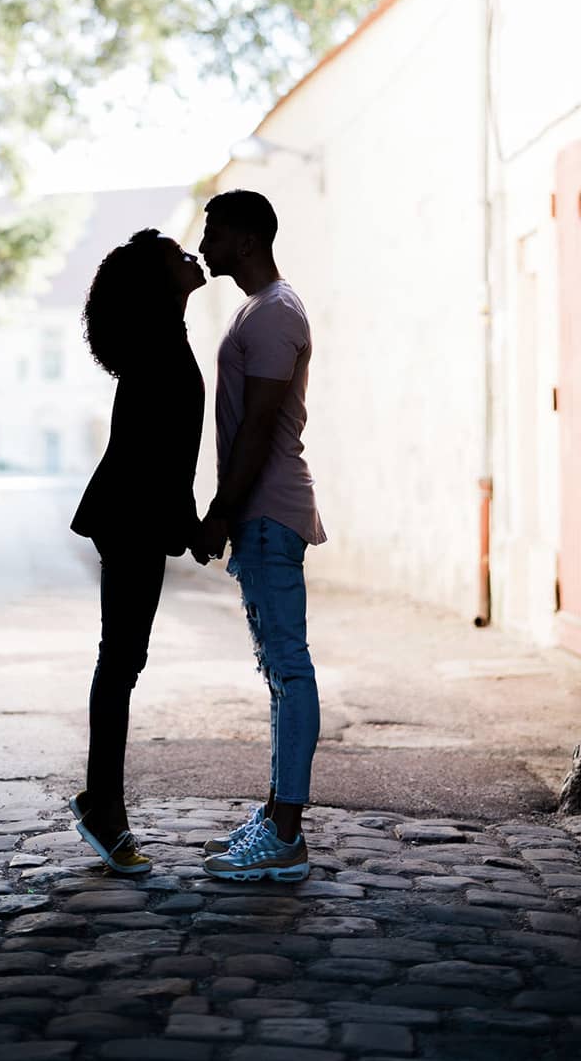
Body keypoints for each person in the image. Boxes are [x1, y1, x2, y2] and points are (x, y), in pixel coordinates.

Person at [195, 190, 326, 882]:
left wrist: (222, 511)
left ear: (246, 239)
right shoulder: (258, 308)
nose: (204, 243)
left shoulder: (275, 312)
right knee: (277, 672)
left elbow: (258, 426)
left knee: (289, 668)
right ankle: (277, 813)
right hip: (262, 514)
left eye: (213, 231)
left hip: (270, 512)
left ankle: (287, 834)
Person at [69, 228, 206, 874]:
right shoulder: (159, 348)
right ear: (160, 282)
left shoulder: (165, 338)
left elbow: (168, 454)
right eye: (178, 255)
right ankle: (103, 807)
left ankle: (101, 801)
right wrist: (196, 526)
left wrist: (190, 524)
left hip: (134, 515)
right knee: (120, 661)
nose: (192, 257)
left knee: (122, 660)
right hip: (131, 515)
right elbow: (159, 456)